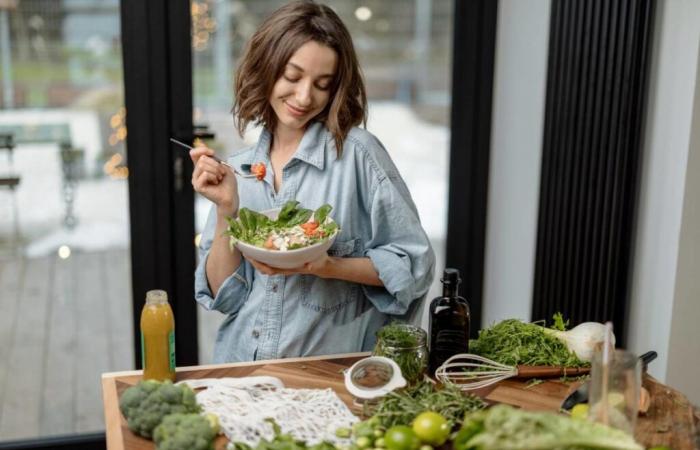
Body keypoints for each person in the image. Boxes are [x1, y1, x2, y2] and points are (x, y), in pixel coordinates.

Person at [192, 0, 435, 363]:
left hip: (328, 375)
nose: (305, 97)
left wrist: (329, 266)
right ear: (267, 68)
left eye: (323, 84)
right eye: (292, 77)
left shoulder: (358, 156)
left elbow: (415, 266)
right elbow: (222, 295)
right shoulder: (240, 170)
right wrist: (227, 208)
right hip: (242, 368)